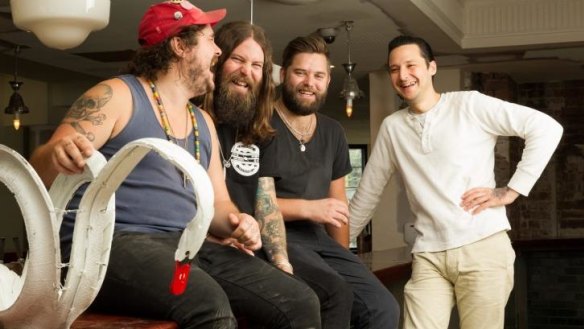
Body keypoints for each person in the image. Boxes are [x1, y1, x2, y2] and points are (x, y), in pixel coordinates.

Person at [29, 2, 320, 329]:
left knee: (299, 301)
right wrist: (57, 153)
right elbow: (37, 171)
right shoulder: (118, 94)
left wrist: (239, 222)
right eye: (210, 41)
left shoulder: (203, 122)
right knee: (207, 304)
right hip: (109, 245)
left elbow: (219, 204)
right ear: (179, 45)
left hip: (185, 244)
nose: (218, 52)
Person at [349, 35, 563, 329]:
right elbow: (367, 193)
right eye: (394, 69)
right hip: (429, 255)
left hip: (483, 249)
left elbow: (546, 128)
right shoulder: (392, 128)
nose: (403, 75)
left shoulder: (469, 105)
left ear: (431, 68)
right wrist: (332, 250)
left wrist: (511, 191)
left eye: (411, 65)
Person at [203, 23, 355, 328]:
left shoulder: (253, 124)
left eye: (256, 65)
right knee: (310, 299)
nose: (247, 72)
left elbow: (264, 200)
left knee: (335, 295)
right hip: (205, 247)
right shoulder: (196, 118)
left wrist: (281, 260)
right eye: (238, 60)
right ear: (217, 60)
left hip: (247, 244)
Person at [259, 34, 400, 329]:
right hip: (275, 239)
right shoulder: (259, 124)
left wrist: (346, 258)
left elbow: (337, 206)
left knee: (382, 307)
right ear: (283, 75)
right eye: (300, 73)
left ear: (327, 80)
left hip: (319, 241)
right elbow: (248, 200)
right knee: (335, 295)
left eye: (318, 75)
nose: (310, 82)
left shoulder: (333, 131)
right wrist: (310, 209)